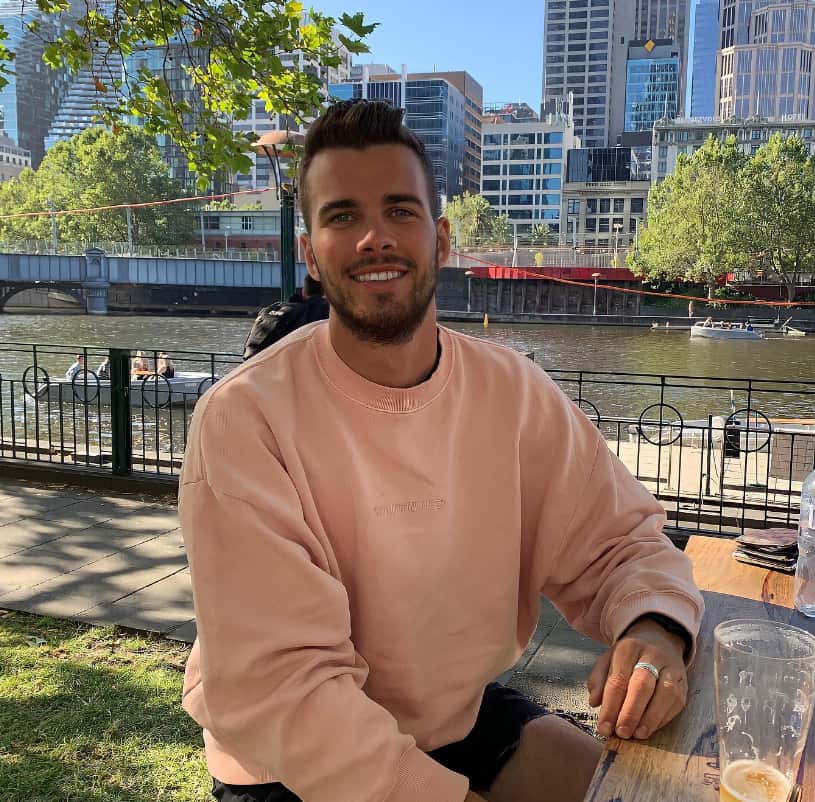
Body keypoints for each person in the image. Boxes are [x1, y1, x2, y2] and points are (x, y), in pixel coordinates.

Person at [179, 100, 704, 802]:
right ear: (310, 251)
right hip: (291, 759)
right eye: (342, 217)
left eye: (400, 210)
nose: (373, 238)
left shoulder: (512, 390)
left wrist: (657, 629)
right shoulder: (245, 418)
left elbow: (618, 542)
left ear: (442, 238)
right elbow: (287, 691)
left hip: (452, 714)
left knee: (644, 794)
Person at [242, 274, 330, 360]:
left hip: (249, 361)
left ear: (303, 291)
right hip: (273, 365)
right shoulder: (319, 309)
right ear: (325, 293)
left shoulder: (273, 307)